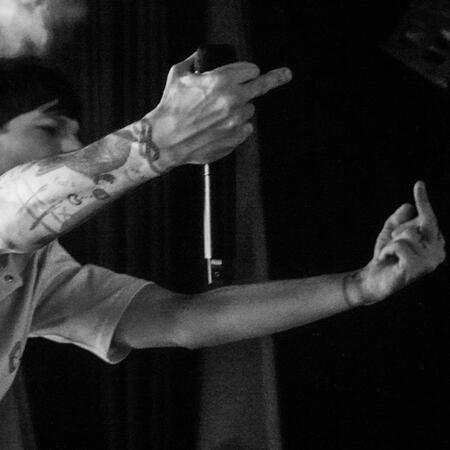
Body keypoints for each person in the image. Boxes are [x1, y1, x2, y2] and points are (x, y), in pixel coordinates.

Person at [0, 55, 445, 402]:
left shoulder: (39, 269)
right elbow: (14, 205)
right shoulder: (12, 213)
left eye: (75, 133)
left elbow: (183, 320)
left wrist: (358, 287)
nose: (73, 145)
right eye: (50, 128)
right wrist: (159, 139)